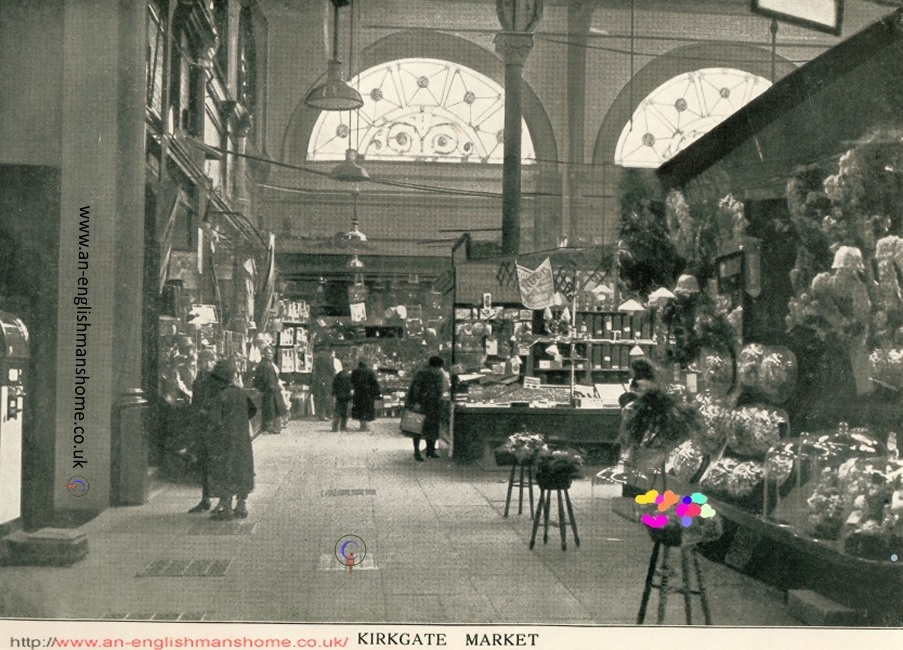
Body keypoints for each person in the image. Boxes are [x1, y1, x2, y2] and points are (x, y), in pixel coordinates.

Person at [206, 359, 257, 520]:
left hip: (224, 439)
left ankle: (226, 509)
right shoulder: (241, 393)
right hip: (242, 438)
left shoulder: (220, 396)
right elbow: (252, 410)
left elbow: (214, 420)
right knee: (242, 469)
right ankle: (241, 506)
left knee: (225, 469)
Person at [187, 349, 219, 513]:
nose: (205, 364)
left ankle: (222, 501)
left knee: (216, 464)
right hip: (201, 426)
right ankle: (205, 499)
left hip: (213, 426)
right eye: (203, 360)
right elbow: (195, 400)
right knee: (204, 463)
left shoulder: (216, 379)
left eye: (209, 360)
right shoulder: (199, 378)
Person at [405, 355, 448, 461]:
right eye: (437, 368)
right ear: (432, 366)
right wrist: (416, 402)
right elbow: (416, 388)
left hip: (434, 404)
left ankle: (430, 450)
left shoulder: (439, 374)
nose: (438, 370)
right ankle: (416, 452)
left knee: (432, 428)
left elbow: (442, 388)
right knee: (418, 428)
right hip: (422, 404)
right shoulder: (422, 373)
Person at [252, 349, 286, 434]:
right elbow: (262, 378)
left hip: (272, 389)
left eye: (271, 353)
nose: (270, 355)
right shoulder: (265, 365)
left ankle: (273, 427)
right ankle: (271, 427)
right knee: (272, 408)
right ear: (264, 354)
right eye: (268, 353)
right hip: (270, 389)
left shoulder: (268, 364)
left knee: (272, 408)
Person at [350, 359, 381, 431]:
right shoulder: (370, 371)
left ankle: (362, 425)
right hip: (368, 393)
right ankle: (365, 426)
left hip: (358, 392)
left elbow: (351, 381)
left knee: (359, 409)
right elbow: (374, 382)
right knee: (366, 409)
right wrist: (376, 393)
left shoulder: (355, 371)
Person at [311, 346, 336, 421]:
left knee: (320, 397)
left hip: (319, 380)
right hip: (327, 380)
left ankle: (320, 414)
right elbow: (331, 369)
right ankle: (328, 414)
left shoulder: (317, 357)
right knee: (327, 397)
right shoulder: (329, 357)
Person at [331, 360, 353, 432]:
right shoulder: (348, 376)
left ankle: (334, 427)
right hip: (346, 396)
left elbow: (334, 385)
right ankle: (343, 427)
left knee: (337, 411)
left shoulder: (338, 375)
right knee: (345, 412)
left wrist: (334, 394)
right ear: (348, 367)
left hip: (339, 396)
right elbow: (349, 386)